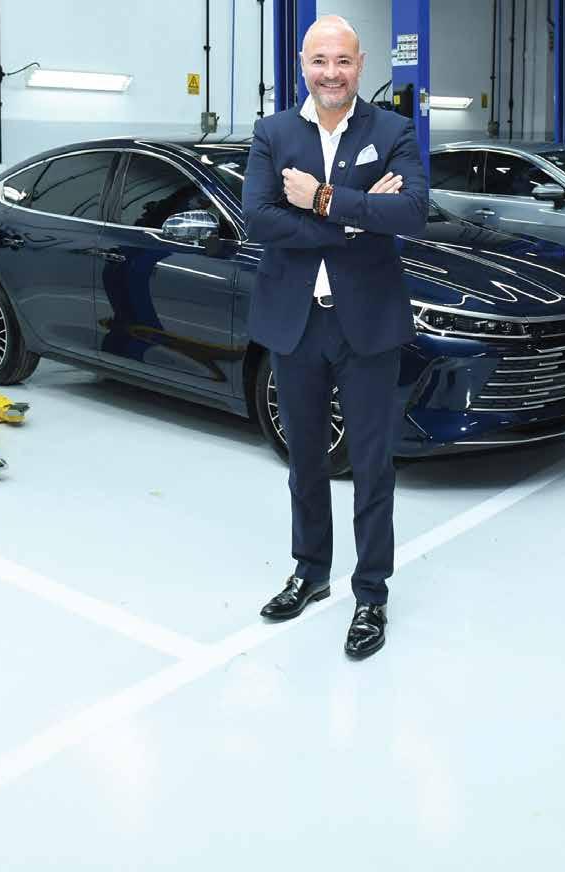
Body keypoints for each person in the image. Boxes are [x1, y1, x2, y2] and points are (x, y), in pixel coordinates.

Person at [242, 14, 429, 660]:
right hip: (296, 323)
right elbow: (258, 218)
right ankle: (311, 570)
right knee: (305, 458)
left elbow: (412, 212)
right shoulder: (272, 134)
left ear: (361, 64)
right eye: (320, 61)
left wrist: (322, 199)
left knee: (372, 464)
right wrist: (356, 218)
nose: (331, 73)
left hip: (368, 325)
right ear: (302, 65)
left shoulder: (392, 131)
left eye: (343, 61)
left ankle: (371, 592)